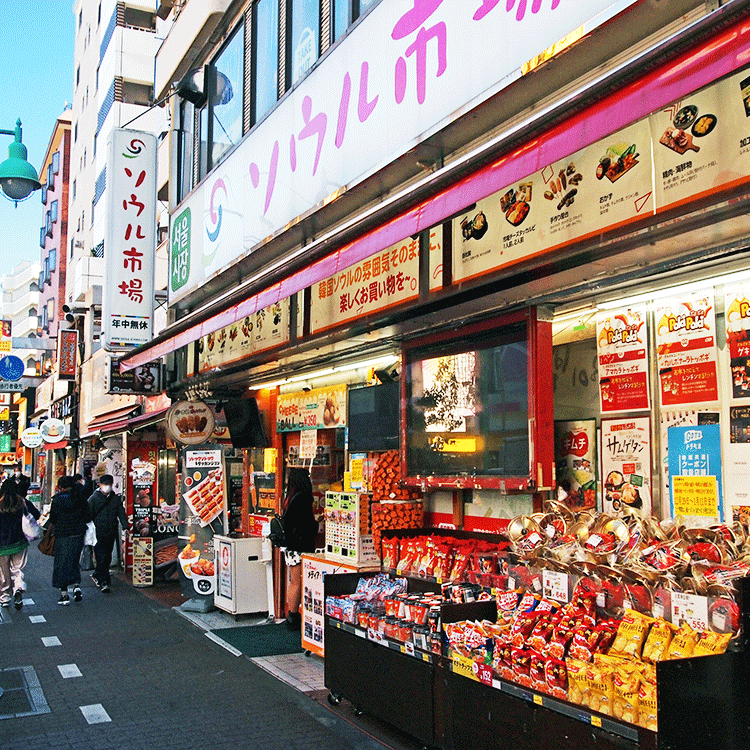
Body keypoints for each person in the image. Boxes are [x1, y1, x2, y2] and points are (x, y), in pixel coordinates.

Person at [280, 468, 318, 630]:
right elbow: (306, 524)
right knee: (299, 582)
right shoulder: (303, 498)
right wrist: (316, 523)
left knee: (293, 581)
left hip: (291, 545)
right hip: (300, 545)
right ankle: (294, 616)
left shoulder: (290, 497)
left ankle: (292, 614)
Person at [49, 475, 91, 605]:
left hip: (62, 535)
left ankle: (64, 594)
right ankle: (77, 586)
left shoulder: (57, 499)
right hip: (77, 534)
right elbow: (88, 516)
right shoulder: (80, 498)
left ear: (60, 487)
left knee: (62, 563)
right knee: (74, 560)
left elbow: (53, 518)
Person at [0, 480, 41, 609]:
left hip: (2, 545)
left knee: (3, 573)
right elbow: (37, 514)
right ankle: (18, 588)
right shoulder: (22, 502)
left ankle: (5, 597)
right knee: (18, 569)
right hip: (19, 542)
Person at [88, 474, 128, 594]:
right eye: (105, 485)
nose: (107, 487)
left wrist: (125, 527)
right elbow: (88, 515)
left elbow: (121, 513)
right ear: (100, 485)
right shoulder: (93, 499)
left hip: (111, 531)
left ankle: (97, 574)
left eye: (109, 485)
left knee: (108, 556)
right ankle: (103, 581)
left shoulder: (115, 499)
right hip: (98, 532)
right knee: (101, 555)